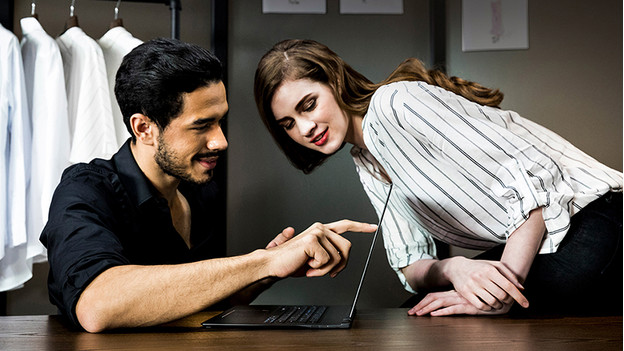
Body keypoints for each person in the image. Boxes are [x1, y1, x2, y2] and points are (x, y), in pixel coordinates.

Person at [253, 39, 623, 317]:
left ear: (334, 82)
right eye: (288, 124)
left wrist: (497, 291)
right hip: (549, 238)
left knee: (478, 314)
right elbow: (411, 265)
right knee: (416, 312)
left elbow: (532, 182)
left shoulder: (397, 103)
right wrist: (457, 268)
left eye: (309, 104)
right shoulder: (366, 159)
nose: (305, 127)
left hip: (599, 216)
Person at [40, 38, 378, 333]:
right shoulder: (84, 191)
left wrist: (271, 269)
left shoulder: (199, 187)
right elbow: (97, 305)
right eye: (202, 126)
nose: (220, 141)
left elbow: (201, 297)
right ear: (144, 128)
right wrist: (262, 262)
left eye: (220, 122)